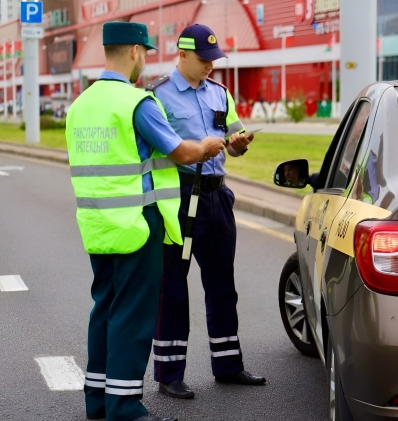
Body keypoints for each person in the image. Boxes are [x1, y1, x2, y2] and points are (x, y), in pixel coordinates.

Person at [64, 22, 225, 421]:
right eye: (147, 53)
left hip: (97, 226)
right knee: (133, 319)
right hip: (137, 224)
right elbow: (181, 152)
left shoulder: (81, 104)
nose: (147, 60)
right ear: (136, 52)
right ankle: (125, 406)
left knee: (104, 310)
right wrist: (206, 146)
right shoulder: (136, 102)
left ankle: (98, 401)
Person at [146, 23, 266, 400]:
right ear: (181, 55)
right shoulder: (158, 96)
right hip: (178, 201)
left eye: (215, 59)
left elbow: (233, 143)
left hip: (216, 200)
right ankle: (169, 373)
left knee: (221, 285)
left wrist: (239, 144)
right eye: (204, 59)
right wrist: (198, 147)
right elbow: (159, 147)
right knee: (173, 287)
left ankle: (228, 365)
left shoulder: (220, 93)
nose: (211, 66)